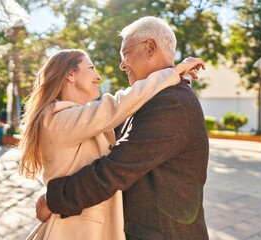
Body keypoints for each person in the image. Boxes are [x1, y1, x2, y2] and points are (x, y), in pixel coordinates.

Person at [35, 16, 210, 239]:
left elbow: (114, 170)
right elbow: (112, 114)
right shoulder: (150, 100)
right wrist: (172, 73)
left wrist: (53, 200)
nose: (122, 64)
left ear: (150, 48)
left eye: (125, 54)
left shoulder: (170, 102)